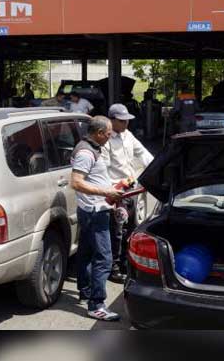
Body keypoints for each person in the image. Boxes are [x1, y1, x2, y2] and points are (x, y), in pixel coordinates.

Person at [70, 116, 123, 322]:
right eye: (109, 134)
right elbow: (76, 182)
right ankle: (97, 305)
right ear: (99, 133)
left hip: (92, 208)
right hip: (94, 211)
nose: (110, 138)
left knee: (86, 251)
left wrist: (114, 189)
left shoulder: (91, 148)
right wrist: (105, 192)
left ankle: (85, 291)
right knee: (104, 258)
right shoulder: (85, 152)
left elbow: (93, 178)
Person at [100, 104, 154, 284]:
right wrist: (112, 191)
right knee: (117, 232)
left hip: (131, 189)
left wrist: (157, 168)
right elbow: (104, 169)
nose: (125, 124)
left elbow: (144, 155)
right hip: (117, 193)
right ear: (112, 120)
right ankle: (113, 268)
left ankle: (125, 263)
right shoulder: (106, 140)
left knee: (131, 229)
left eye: (127, 121)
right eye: (122, 121)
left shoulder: (128, 136)